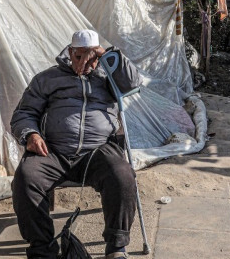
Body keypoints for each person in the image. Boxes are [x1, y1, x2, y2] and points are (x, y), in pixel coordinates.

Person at [11, 29, 142, 259]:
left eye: (90, 57)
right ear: (69, 52)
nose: (84, 63)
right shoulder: (48, 78)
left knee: (123, 176)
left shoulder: (108, 76)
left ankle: (116, 248)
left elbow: (132, 82)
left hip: (98, 151)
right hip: (54, 150)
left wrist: (105, 54)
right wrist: (31, 134)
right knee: (26, 177)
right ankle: (42, 250)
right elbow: (24, 112)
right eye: (78, 56)